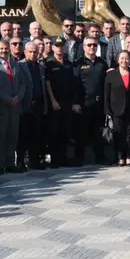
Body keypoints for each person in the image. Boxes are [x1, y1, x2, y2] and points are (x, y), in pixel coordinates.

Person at [0, 39, 29, 173]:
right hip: (1, 107)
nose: (4, 51)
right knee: (1, 137)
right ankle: (0, 165)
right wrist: (8, 99)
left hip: (15, 106)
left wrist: (18, 97)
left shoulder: (15, 64)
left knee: (13, 135)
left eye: (6, 48)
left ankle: (10, 163)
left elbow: (23, 83)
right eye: (1, 49)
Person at [105, 50, 130, 166]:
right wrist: (107, 110)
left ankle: (129, 156)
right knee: (119, 134)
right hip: (116, 110)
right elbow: (106, 94)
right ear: (118, 60)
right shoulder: (111, 75)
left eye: (126, 58)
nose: (124, 61)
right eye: (122, 58)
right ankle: (120, 156)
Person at [45, 38, 80, 167]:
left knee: (65, 131)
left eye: (61, 46)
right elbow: (48, 84)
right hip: (55, 102)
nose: (59, 48)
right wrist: (53, 101)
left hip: (67, 102)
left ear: (65, 47)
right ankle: (55, 159)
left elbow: (73, 84)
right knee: (54, 132)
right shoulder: (49, 63)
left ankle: (64, 157)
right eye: (57, 46)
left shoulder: (69, 64)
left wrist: (74, 102)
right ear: (53, 48)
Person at [18, 41, 48, 170]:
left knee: (37, 134)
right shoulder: (20, 66)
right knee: (23, 134)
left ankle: (34, 160)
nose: (33, 54)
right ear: (25, 52)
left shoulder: (41, 67)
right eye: (30, 51)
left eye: (35, 52)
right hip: (25, 104)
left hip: (39, 103)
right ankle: (21, 161)